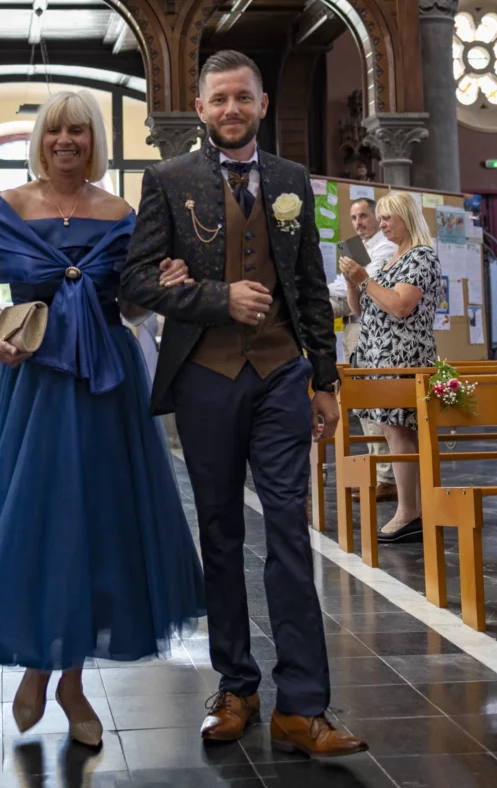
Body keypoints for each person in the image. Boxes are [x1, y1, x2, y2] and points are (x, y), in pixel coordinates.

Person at [0, 90, 205, 749]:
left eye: (79, 131)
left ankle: (72, 681)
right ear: (41, 139)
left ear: (94, 141)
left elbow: (132, 309)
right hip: (33, 386)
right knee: (34, 522)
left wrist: (163, 288)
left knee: (97, 526)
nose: (66, 141)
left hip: (105, 384)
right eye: (55, 130)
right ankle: (36, 664)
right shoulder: (9, 208)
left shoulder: (121, 212)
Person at [120, 50, 367, 760]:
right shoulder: (167, 180)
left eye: (242, 98)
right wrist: (214, 297)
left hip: (284, 374)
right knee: (221, 532)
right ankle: (236, 685)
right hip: (205, 374)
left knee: (289, 532)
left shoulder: (291, 181)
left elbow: (311, 285)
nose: (230, 109)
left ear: (261, 104)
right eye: (218, 99)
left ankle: (304, 705)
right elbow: (135, 279)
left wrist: (325, 378)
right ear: (200, 110)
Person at [340, 190, 442, 545]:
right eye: (379, 218)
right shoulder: (389, 260)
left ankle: (408, 511)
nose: (381, 224)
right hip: (380, 355)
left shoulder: (421, 256)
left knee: (400, 431)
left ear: (405, 217)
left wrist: (365, 278)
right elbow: (362, 308)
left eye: (386, 217)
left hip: (403, 356)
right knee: (393, 431)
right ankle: (411, 508)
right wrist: (356, 281)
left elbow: (400, 306)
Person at [328, 198, 396, 502]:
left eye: (365, 216)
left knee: (376, 404)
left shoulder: (384, 246)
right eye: (354, 217)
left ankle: (386, 478)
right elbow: (339, 285)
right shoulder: (353, 246)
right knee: (363, 406)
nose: (360, 222)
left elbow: (354, 285)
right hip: (353, 327)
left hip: (372, 327)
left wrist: (333, 290)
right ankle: (377, 474)